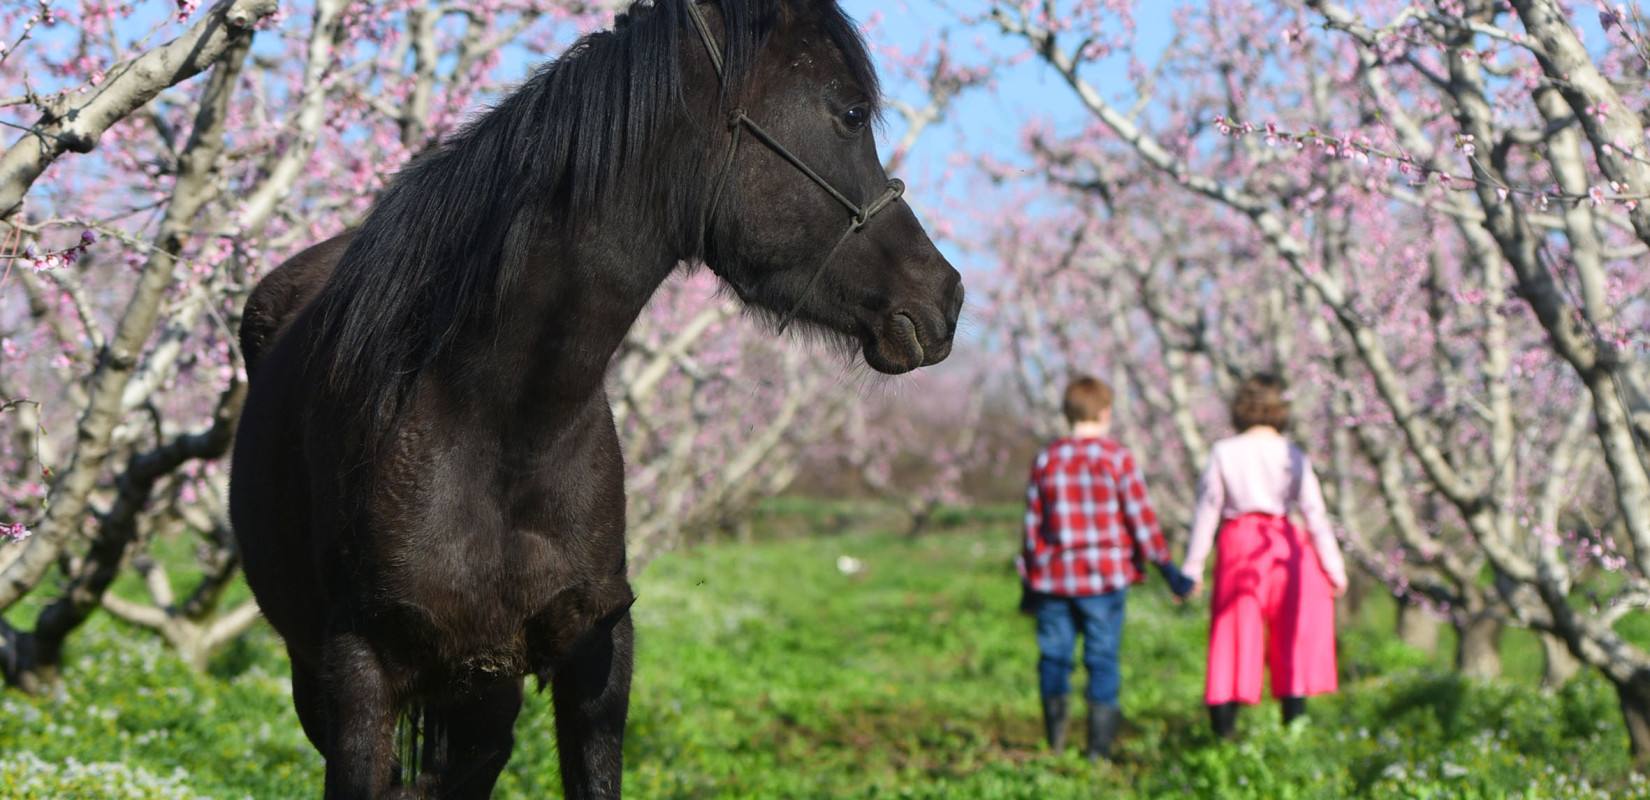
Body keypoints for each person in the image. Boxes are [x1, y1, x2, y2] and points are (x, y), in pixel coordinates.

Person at [1018, 375, 1194, 761]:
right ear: (1105, 412)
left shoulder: (1047, 458)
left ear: (1067, 413)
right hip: (1104, 578)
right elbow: (1141, 520)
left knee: (1054, 658)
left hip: (1053, 579)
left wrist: (1027, 585)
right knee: (1101, 659)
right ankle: (1097, 751)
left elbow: (1032, 528)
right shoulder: (1117, 458)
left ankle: (1056, 743)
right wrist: (1169, 571)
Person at [1182, 374, 1349, 739]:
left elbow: (1207, 511)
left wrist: (1192, 568)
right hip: (1287, 544)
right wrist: (1334, 568)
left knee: (1231, 636)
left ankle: (1224, 737)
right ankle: (1294, 732)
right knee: (1291, 637)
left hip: (1240, 543)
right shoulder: (1292, 453)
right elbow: (1315, 513)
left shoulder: (1224, 451)